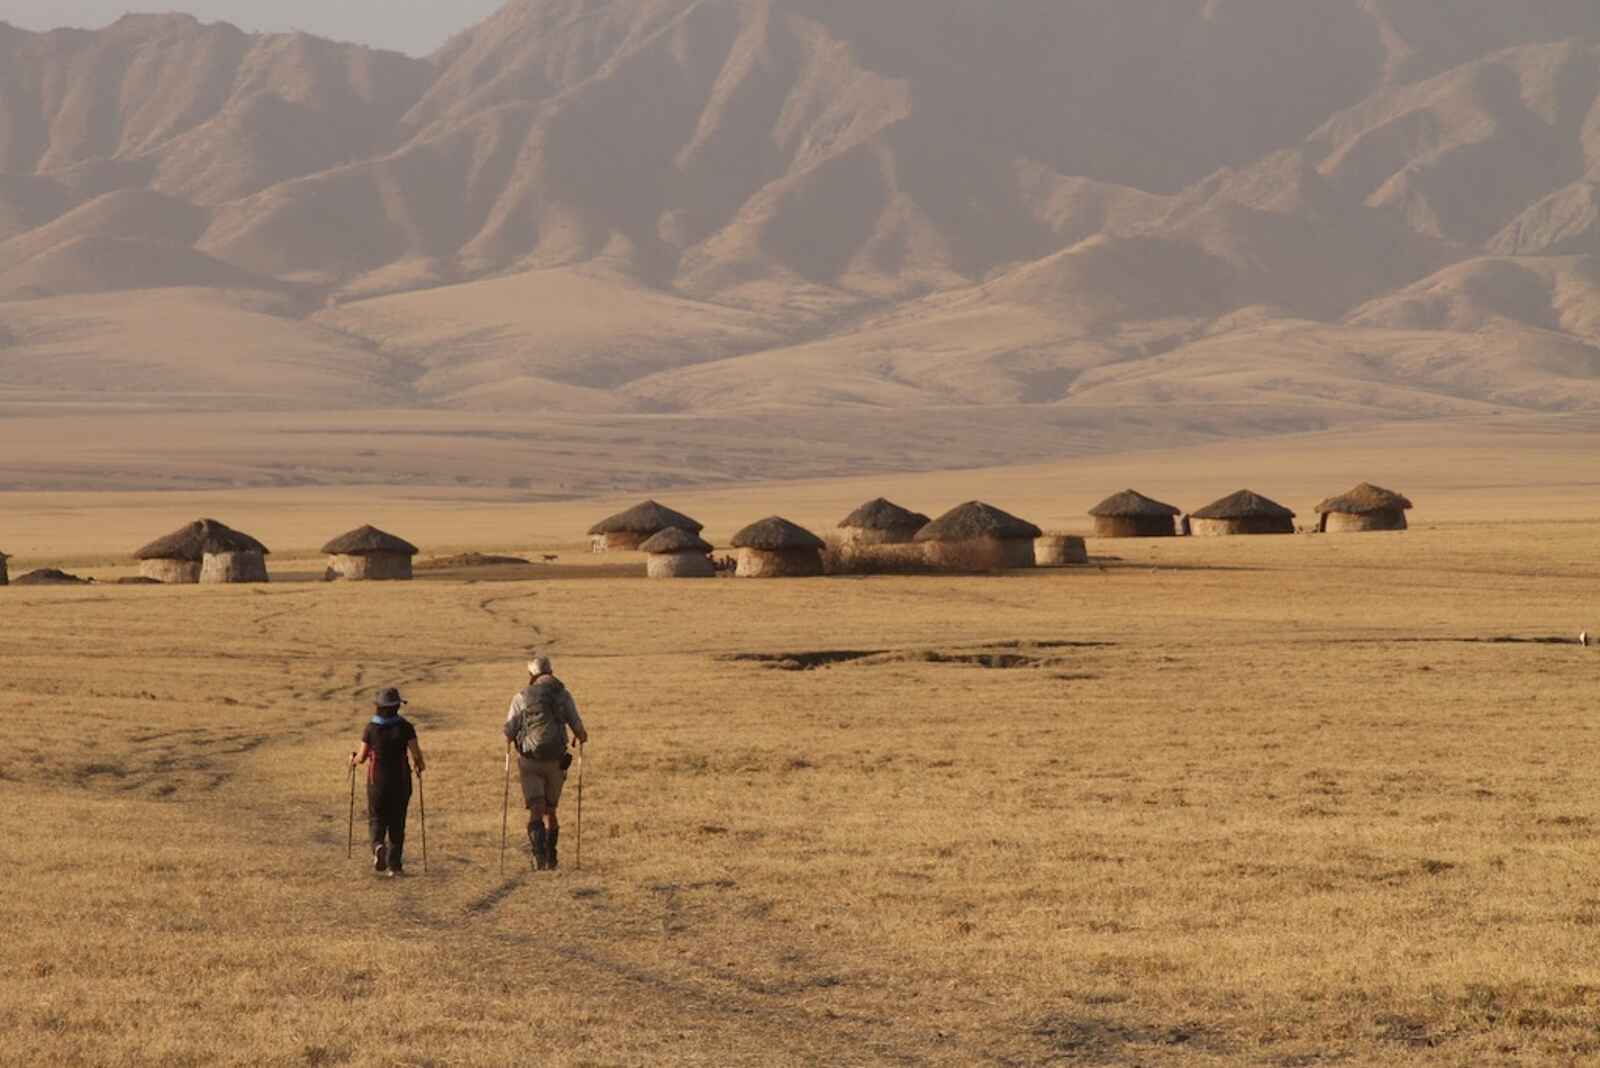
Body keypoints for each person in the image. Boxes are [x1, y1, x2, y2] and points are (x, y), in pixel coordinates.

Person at [504, 656, 587, 870]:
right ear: (551, 672)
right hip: (557, 762)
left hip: (529, 761)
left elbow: (508, 732)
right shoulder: (564, 695)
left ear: (532, 675)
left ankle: (538, 856)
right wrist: (579, 736)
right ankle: (552, 857)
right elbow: (580, 729)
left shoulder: (521, 697)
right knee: (551, 810)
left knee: (536, 809)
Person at [352, 687, 425, 878]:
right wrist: (419, 765)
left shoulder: (371, 728)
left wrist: (351, 759)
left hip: (377, 782)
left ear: (378, 707)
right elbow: (416, 754)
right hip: (401, 781)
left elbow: (361, 757)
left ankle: (377, 845)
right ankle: (395, 866)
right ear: (397, 707)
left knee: (376, 818)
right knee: (397, 822)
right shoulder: (405, 727)